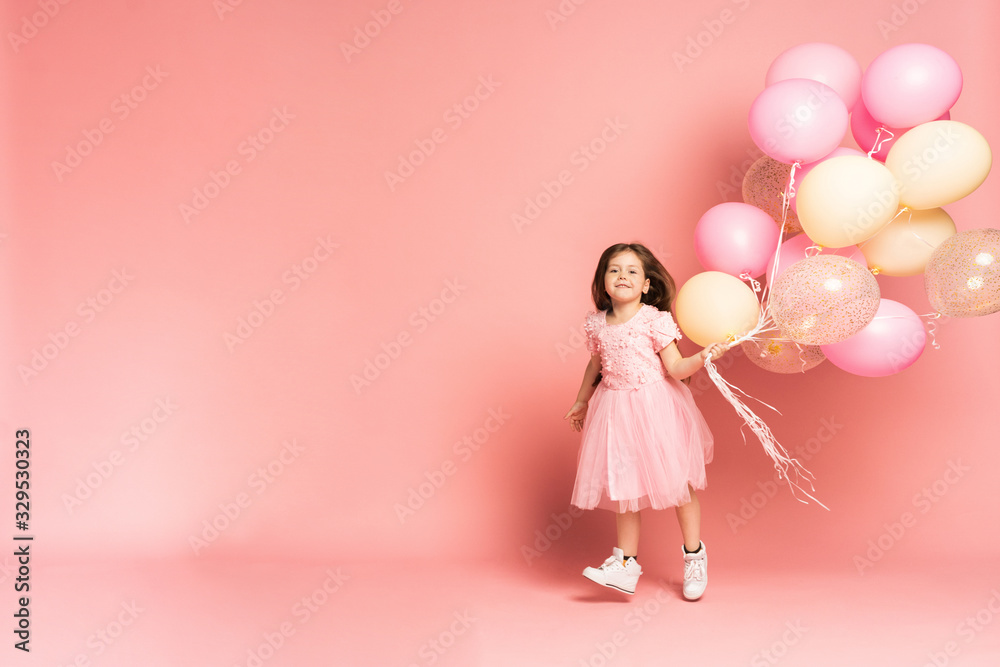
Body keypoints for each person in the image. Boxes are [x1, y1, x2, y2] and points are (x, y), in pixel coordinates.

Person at [564, 242, 726, 600]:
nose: (623, 276)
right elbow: (596, 364)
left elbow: (676, 367)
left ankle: (694, 555)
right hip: (616, 410)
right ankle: (626, 566)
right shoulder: (596, 323)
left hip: (656, 410)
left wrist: (702, 357)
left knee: (679, 485)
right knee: (625, 490)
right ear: (603, 281)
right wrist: (581, 399)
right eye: (614, 270)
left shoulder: (654, 319)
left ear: (647, 284)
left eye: (632, 271)